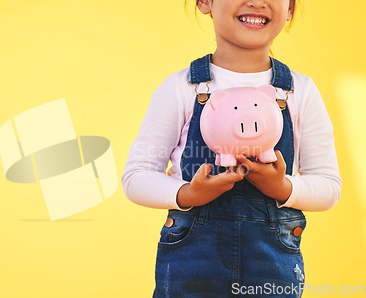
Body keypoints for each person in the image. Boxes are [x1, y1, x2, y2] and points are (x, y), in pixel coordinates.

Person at [121, 0, 342, 296]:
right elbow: (136, 176)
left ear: (290, 8)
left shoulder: (300, 92)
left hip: (271, 264)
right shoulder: (181, 88)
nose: (257, 1)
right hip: (192, 261)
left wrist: (282, 187)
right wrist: (189, 194)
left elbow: (328, 186)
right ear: (204, 2)